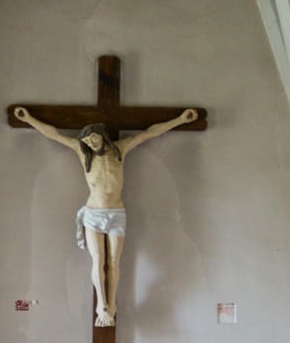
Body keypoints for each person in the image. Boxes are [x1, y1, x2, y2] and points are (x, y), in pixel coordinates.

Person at [13, 106, 198, 326]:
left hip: (116, 214)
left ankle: (112, 304)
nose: (91, 143)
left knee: (114, 261)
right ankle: (102, 305)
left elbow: (150, 133)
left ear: (101, 135)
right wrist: (29, 119)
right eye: (87, 141)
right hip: (93, 214)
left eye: (93, 138)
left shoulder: (121, 148)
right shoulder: (82, 152)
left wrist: (180, 120)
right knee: (98, 260)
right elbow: (53, 134)